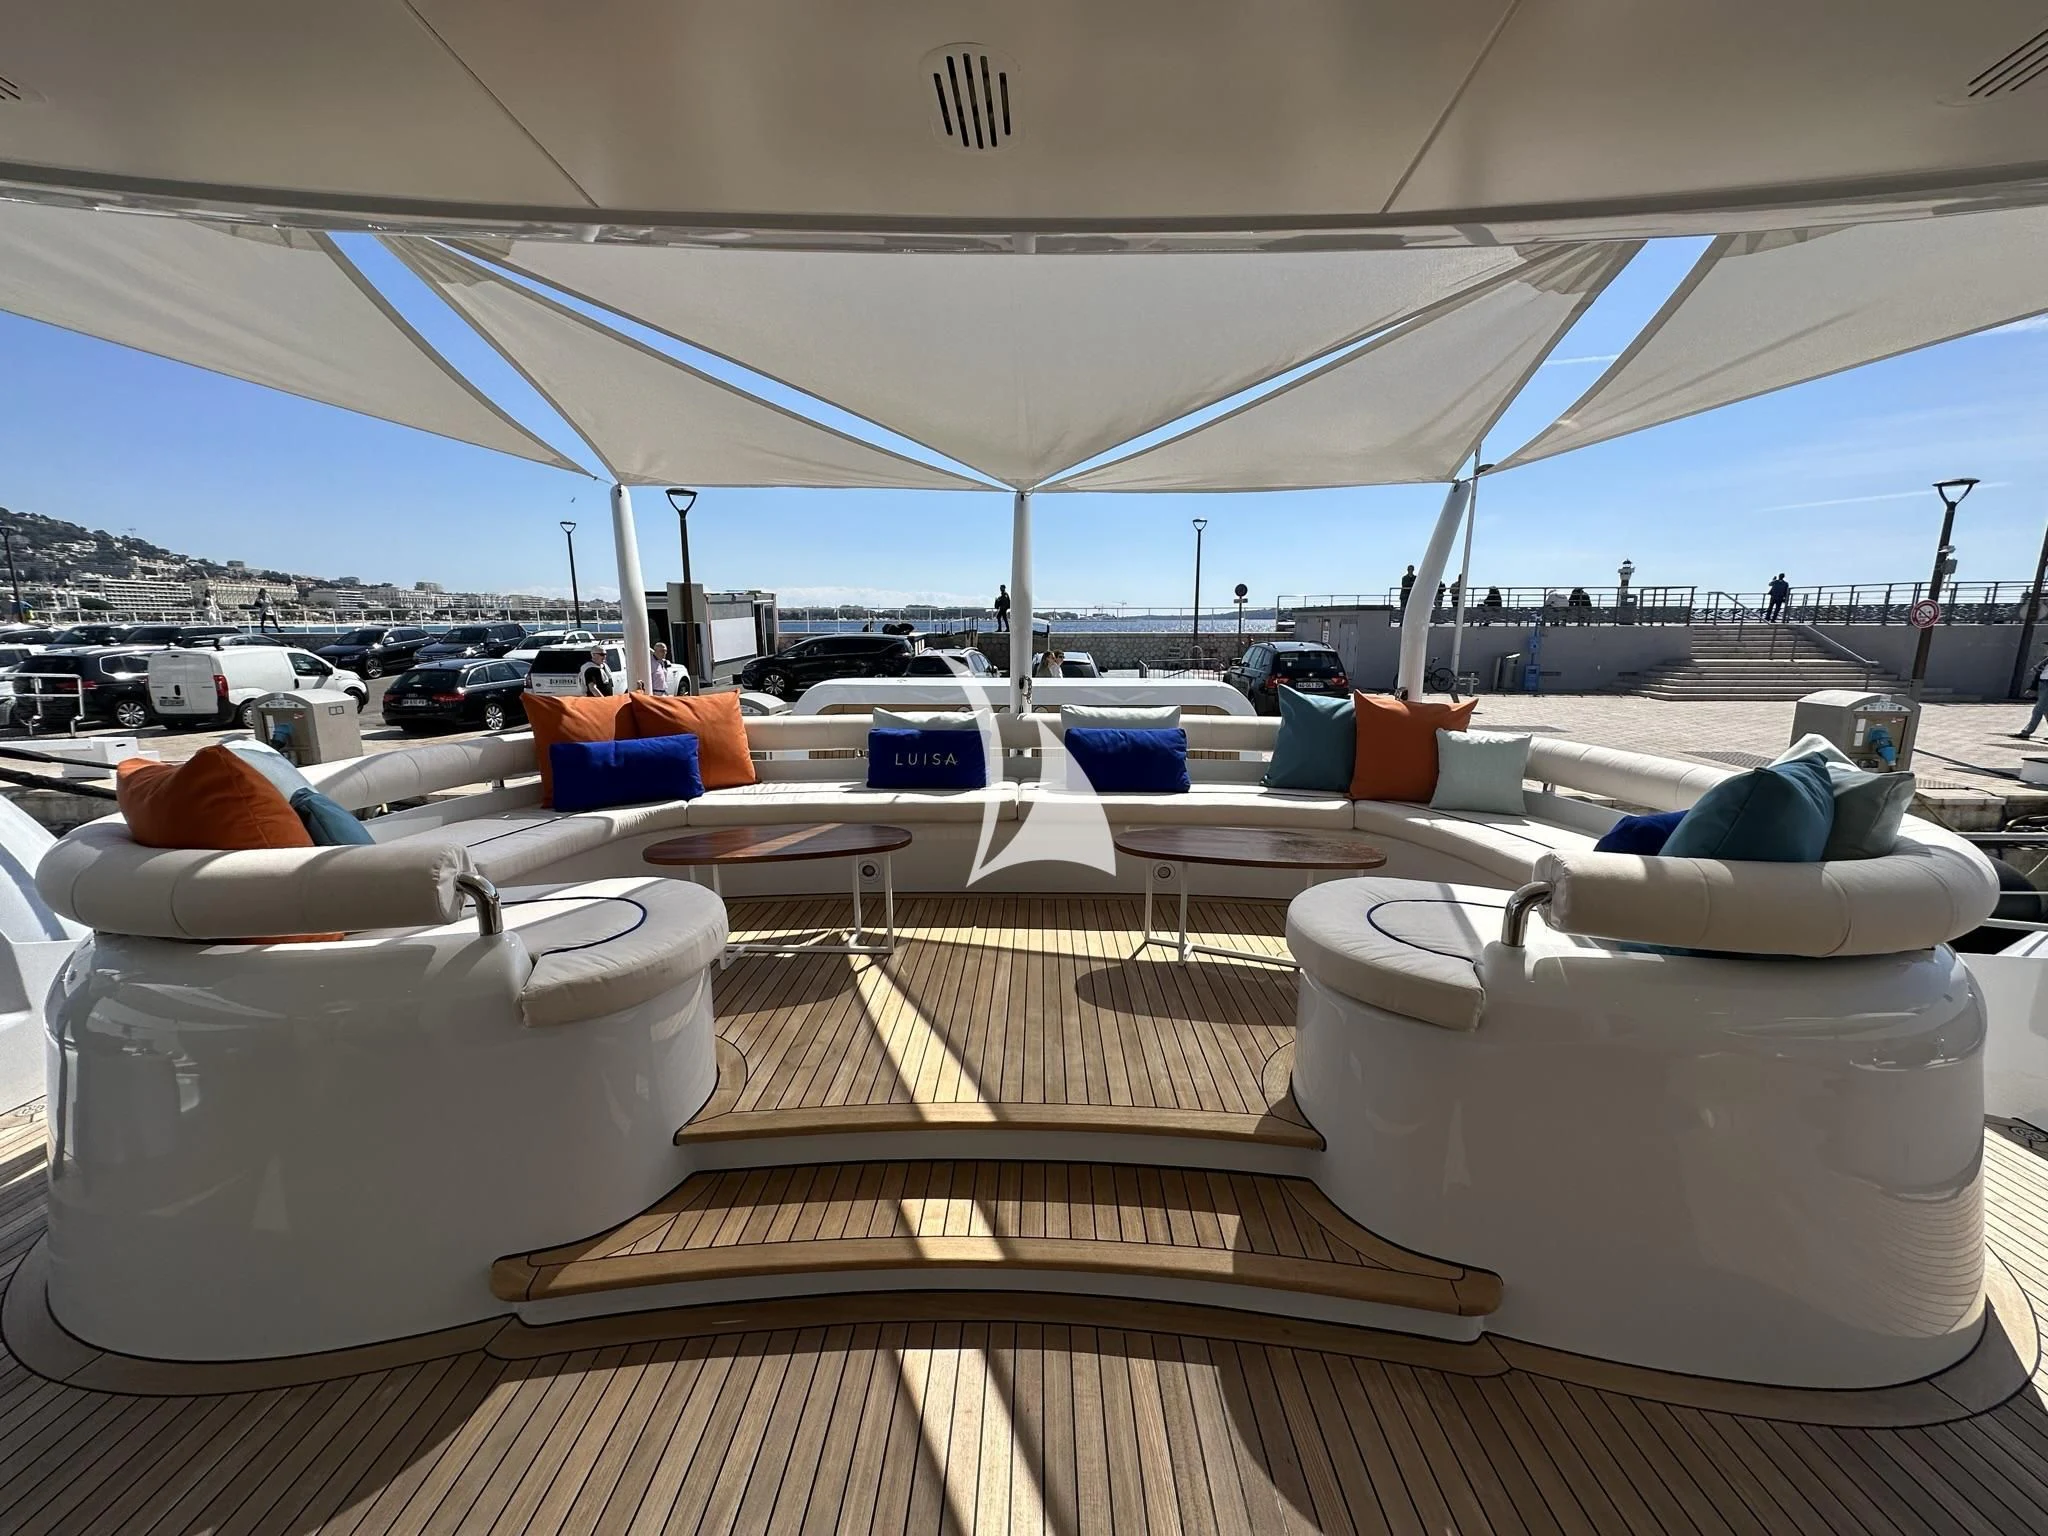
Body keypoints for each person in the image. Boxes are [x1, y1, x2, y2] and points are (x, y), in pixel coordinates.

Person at [2017, 651, 2048, 738]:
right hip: (2043, 682)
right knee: (2045, 709)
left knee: (2038, 708)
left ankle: (2026, 732)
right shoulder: (2045, 660)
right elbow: (2038, 673)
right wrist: (2032, 688)